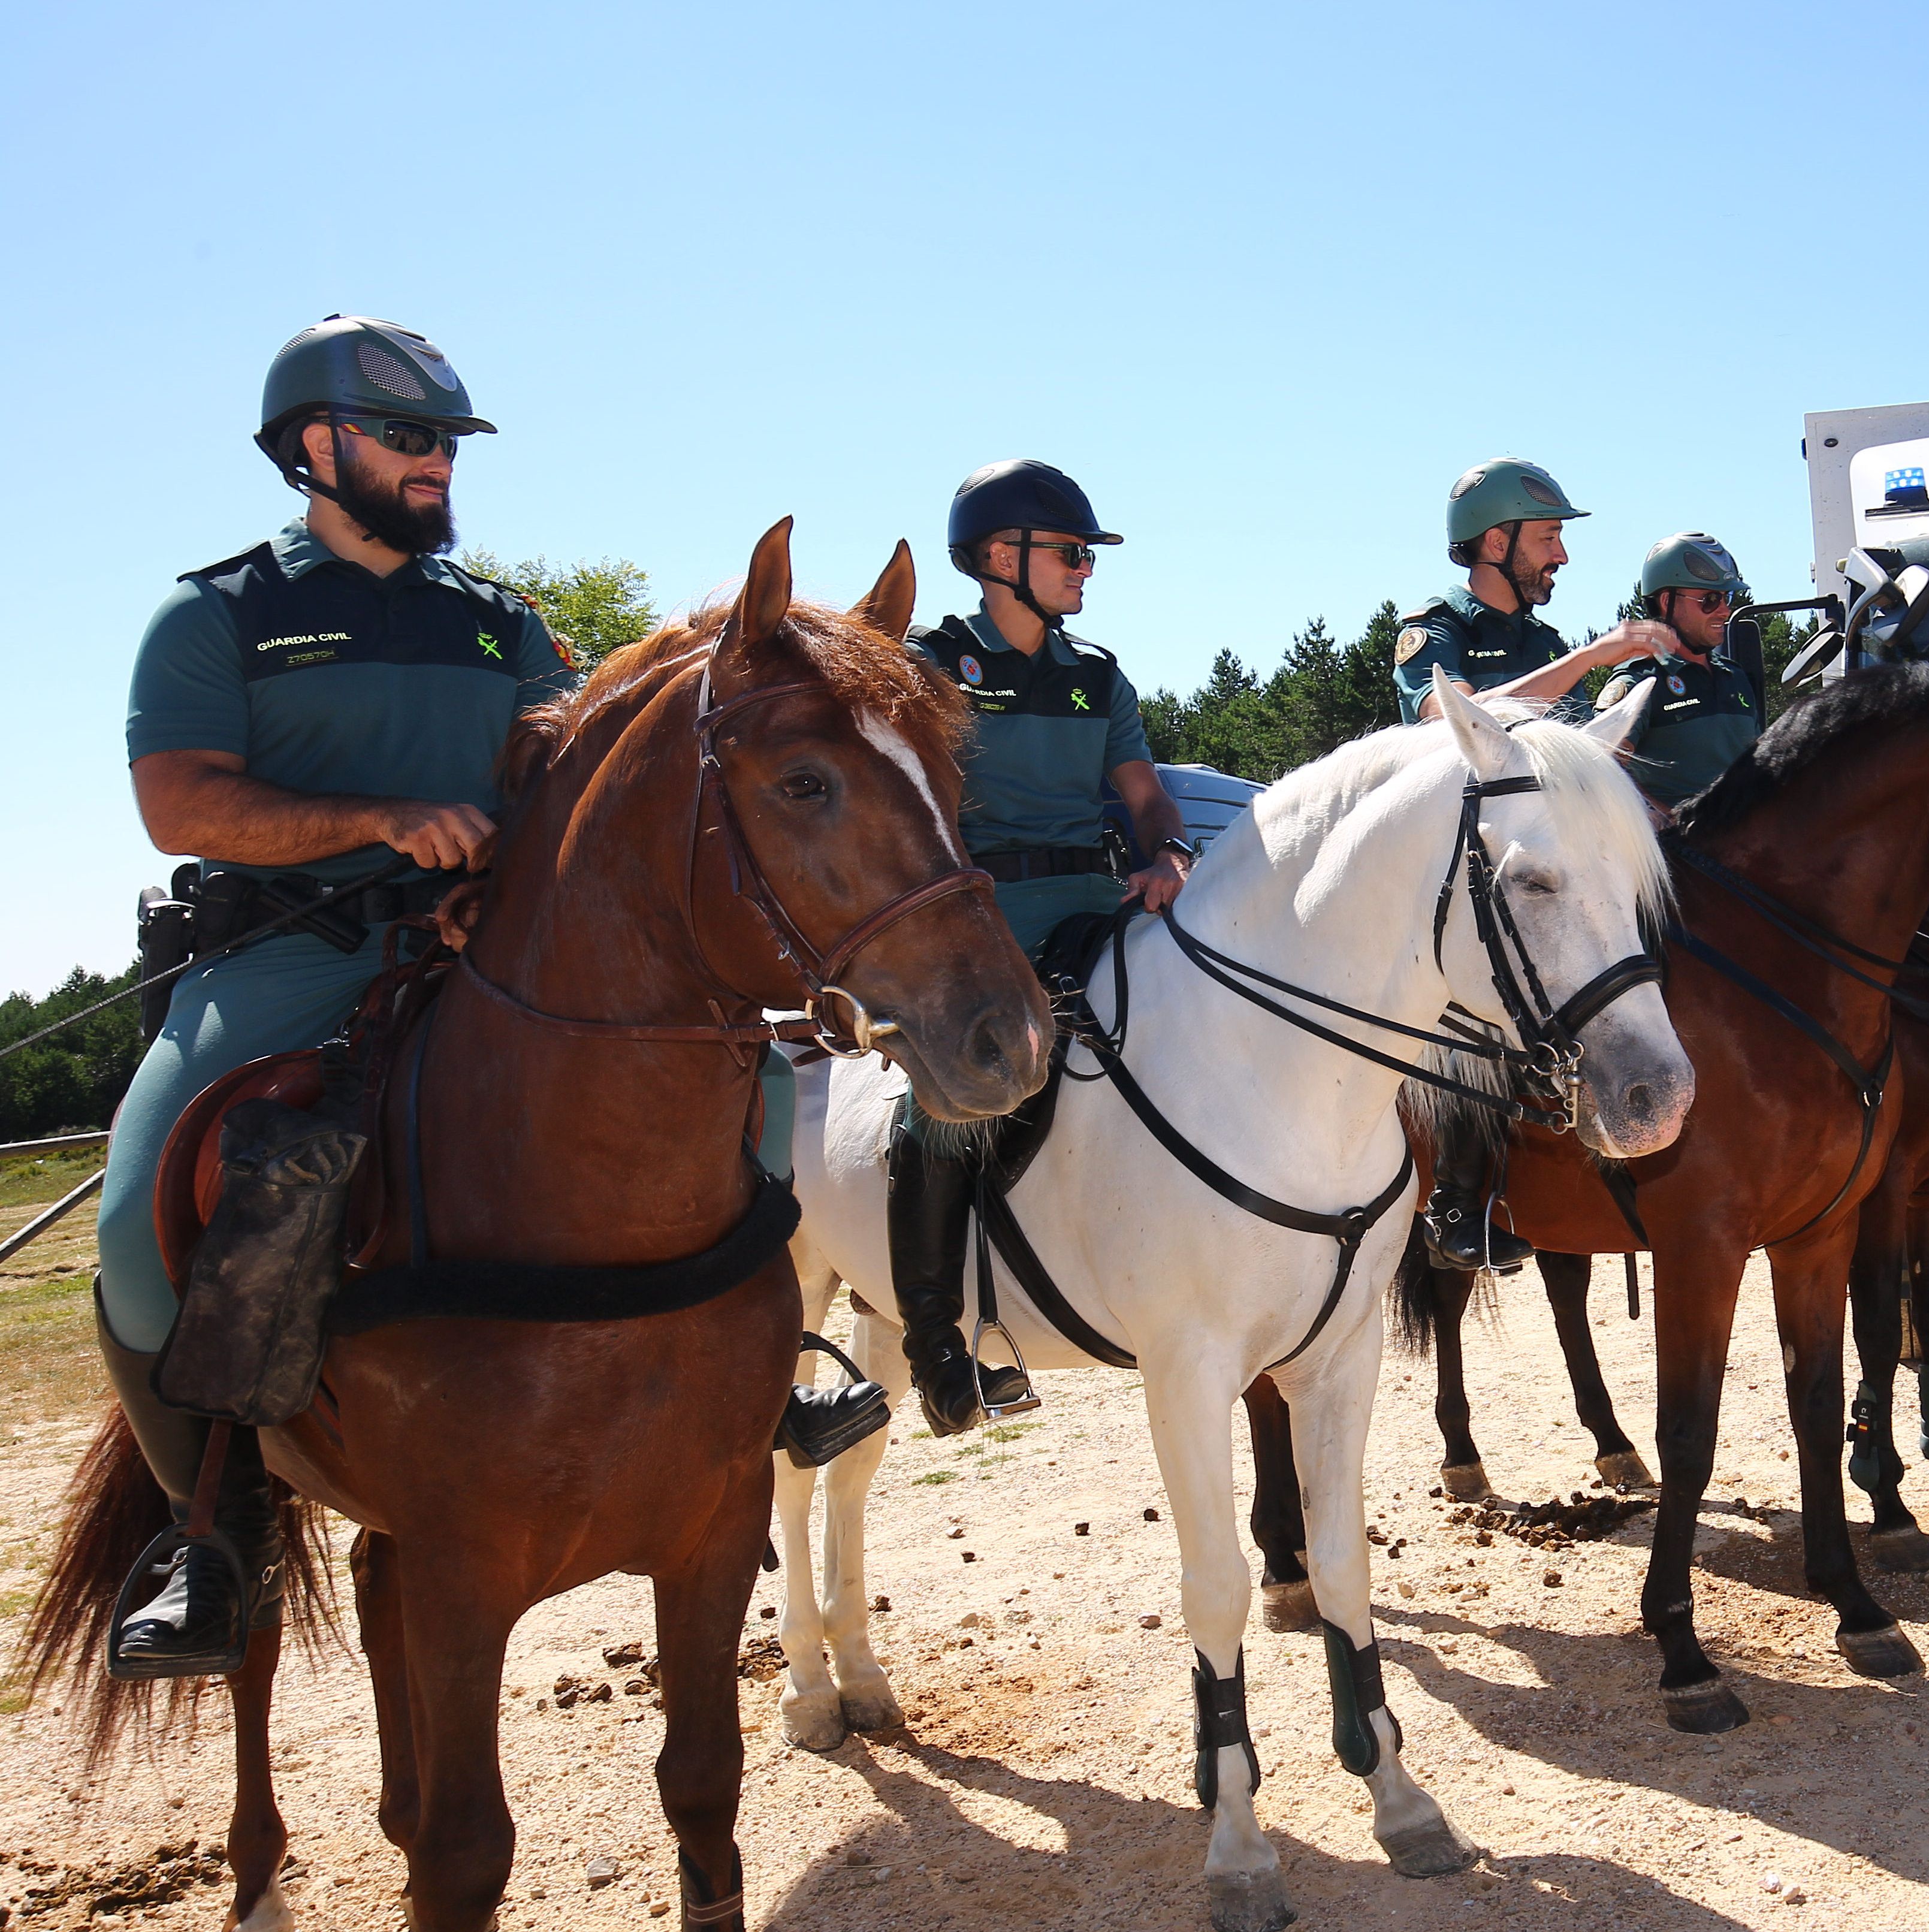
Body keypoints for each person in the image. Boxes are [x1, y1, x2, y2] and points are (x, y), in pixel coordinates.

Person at [95, 319, 878, 1679]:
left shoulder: (500, 623)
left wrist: (507, 865)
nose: (437, 462)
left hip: (481, 946)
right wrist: (381, 820)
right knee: (135, 1210)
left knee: (742, 1076)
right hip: (287, 954)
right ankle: (206, 1538)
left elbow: (567, 780)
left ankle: (765, 1376)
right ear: (314, 447)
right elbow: (180, 801)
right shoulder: (220, 614)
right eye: (410, 438)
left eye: (447, 442)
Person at [884, 460, 1196, 1437]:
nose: (1084, 570)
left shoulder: (1097, 675)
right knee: (940, 1108)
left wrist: (1171, 857)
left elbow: (1144, 798)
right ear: (996, 558)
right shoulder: (929, 662)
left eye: (1085, 556)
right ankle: (935, 1336)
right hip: (975, 918)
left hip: (1093, 902)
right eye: (1069, 553)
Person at [1394, 458, 1683, 1267]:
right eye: (1549, 537)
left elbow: (1581, 764)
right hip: (1456, 872)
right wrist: (1593, 659)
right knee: (1464, 1013)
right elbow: (1446, 715)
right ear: (1496, 541)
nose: (1560, 557)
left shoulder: (1544, 641)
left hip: (1535, 866)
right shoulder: (1435, 630)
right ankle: (1456, 1194)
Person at [1598, 532, 1766, 813]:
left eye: (1728, 597)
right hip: (1677, 854)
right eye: (1710, 599)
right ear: (1667, 601)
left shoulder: (1735, 677)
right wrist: (1663, 818)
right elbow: (1601, 768)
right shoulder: (1641, 681)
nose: (1725, 611)